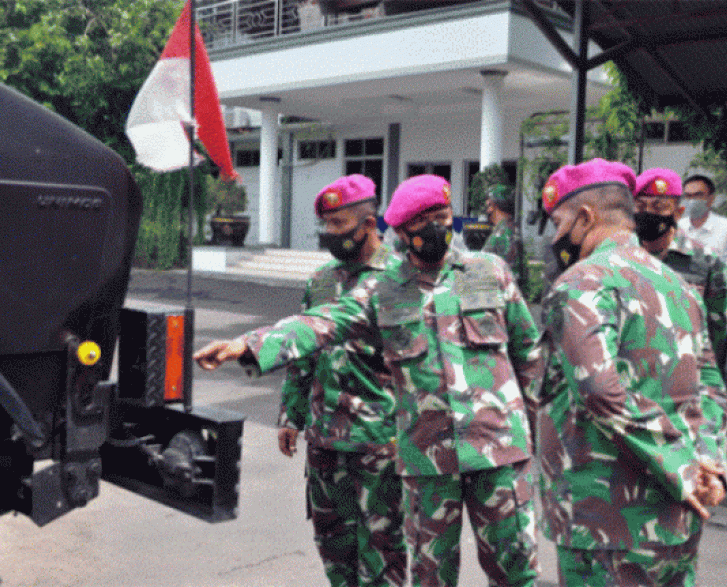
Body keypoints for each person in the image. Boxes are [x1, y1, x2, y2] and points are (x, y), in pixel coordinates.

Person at [196, 174, 541, 587]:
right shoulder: (384, 290)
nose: (437, 227)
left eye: (443, 216)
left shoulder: (489, 271)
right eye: (424, 221)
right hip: (429, 461)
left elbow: (528, 354)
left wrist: (533, 432)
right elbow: (322, 323)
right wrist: (246, 345)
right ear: (401, 230)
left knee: (516, 573)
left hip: (498, 451)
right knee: (431, 577)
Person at [533, 159, 727, 587]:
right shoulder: (677, 285)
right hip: (676, 521)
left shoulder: (582, 283)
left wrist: (682, 469)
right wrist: (708, 465)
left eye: (559, 221)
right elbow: (711, 389)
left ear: (584, 217)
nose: (556, 235)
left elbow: (600, 391)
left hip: (606, 523)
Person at [278, 174, 406, 587]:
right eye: (327, 225)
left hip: (380, 442)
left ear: (370, 224)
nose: (330, 235)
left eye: (340, 225)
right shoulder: (321, 280)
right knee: (333, 548)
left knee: (384, 553)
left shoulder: (401, 279)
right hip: (325, 441)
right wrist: (290, 414)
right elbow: (303, 352)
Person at [633, 168, 727, 372]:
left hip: (682, 380)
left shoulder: (708, 265)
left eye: (658, 206)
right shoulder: (615, 261)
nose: (648, 213)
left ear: (678, 213)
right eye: (640, 206)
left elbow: (716, 332)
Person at [679, 174, 727, 302]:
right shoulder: (678, 228)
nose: (692, 200)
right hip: (682, 301)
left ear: (711, 199)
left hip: (717, 303)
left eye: (698, 195)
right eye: (688, 196)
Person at [481, 184, 522, 278]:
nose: (487, 210)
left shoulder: (505, 233)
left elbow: (509, 274)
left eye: (489, 205)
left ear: (494, 205)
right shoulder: (503, 229)